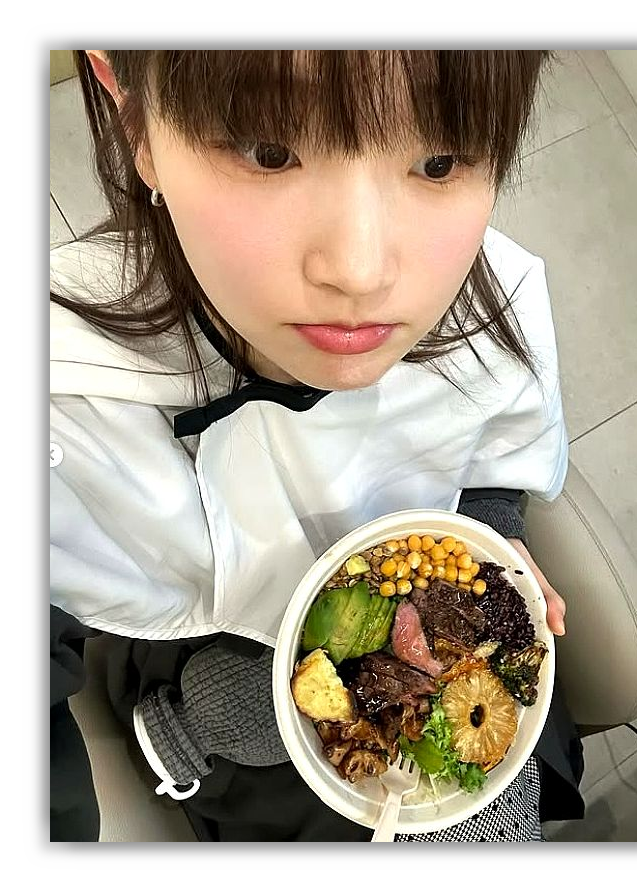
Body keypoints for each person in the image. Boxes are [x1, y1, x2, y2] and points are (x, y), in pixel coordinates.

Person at [50, 50, 584, 842]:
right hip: (211, 651)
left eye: (439, 160)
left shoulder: (490, 297)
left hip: (433, 616)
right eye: (268, 150)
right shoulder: (58, 385)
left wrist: (489, 528)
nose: (361, 272)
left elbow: (491, 451)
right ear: (136, 117)